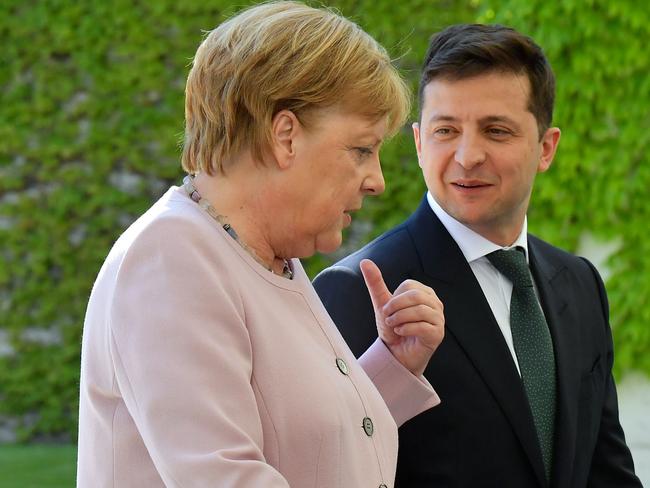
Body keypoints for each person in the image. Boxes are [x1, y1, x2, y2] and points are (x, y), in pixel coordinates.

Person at [76, 2, 446, 487]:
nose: (376, 180)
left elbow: (302, 442)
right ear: (285, 135)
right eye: (361, 149)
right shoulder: (170, 258)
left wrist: (393, 364)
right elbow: (226, 476)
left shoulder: (260, 254)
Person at [314, 23, 642, 488]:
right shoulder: (357, 289)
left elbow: (606, 472)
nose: (467, 156)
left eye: (496, 130)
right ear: (419, 142)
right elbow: (334, 467)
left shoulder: (580, 282)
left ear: (546, 148)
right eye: (446, 130)